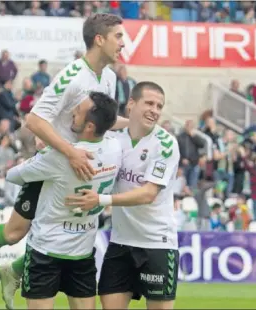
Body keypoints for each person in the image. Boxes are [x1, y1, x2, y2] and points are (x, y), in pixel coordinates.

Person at [0, 13, 127, 305]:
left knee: (63, 233)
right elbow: (34, 120)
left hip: (79, 168)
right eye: (118, 36)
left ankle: (14, 271)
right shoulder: (72, 76)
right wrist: (69, 151)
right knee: (15, 232)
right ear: (99, 39)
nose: (123, 43)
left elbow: (105, 121)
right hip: (57, 166)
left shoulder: (111, 77)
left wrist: (138, 124)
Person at [65, 82, 180, 309]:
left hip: (156, 243)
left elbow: (148, 194)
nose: (154, 110)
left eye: (159, 106)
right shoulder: (114, 140)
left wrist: (100, 200)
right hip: (120, 243)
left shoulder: (165, 144)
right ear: (131, 104)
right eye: (149, 103)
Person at [9, 91, 120, 309]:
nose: (72, 113)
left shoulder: (59, 157)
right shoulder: (115, 147)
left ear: (89, 126)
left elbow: (13, 176)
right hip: (83, 250)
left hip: (45, 250)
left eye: (78, 112)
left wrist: (51, 149)